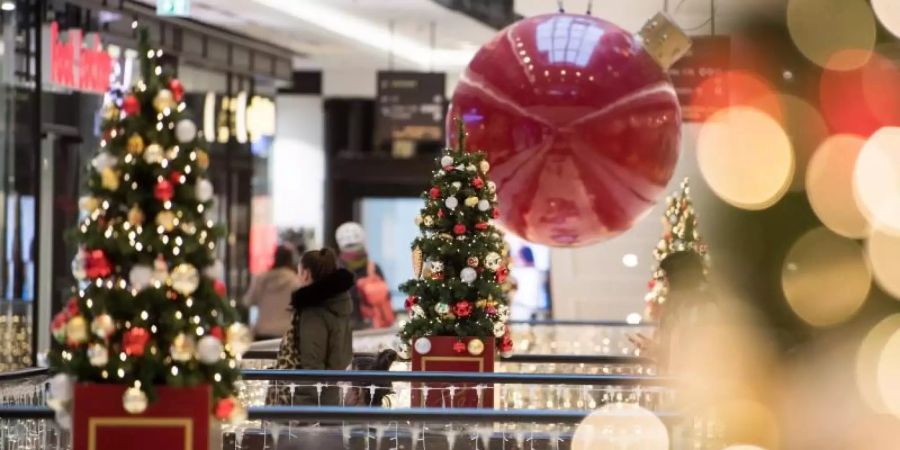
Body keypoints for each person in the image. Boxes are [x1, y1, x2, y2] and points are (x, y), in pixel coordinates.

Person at [267, 248, 355, 406]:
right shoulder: (340, 305)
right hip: (333, 396)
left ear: (306, 274)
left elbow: (312, 365)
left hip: (310, 405)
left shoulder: (314, 312)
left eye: (299, 272)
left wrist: (303, 410)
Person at [629, 251, 712, 372]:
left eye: (666, 278)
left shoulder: (701, 311)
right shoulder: (678, 311)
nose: (665, 284)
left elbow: (698, 359)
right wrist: (656, 350)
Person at [334, 222, 394, 329]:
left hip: (375, 330)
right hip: (344, 332)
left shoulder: (374, 269)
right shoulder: (334, 273)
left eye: (355, 246)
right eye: (349, 246)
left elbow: (386, 299)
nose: (352, 251)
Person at [242, 244, 301, 340]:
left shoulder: (261, 279)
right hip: (286, 332)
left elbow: (248, 301)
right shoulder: (296, 281)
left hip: (262, 331)